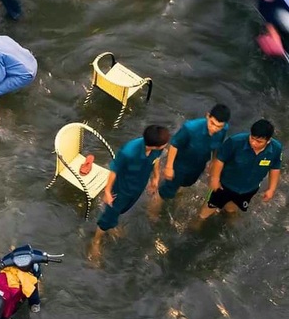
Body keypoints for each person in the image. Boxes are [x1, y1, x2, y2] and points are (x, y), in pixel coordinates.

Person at [88, 125, 170, 260]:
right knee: (108, 216)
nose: (166, 146)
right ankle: (96, 241)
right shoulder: (129, 152)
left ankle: (112, 225)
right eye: (164, 144)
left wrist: (155, 178)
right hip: (121, 189)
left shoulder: (157, 150)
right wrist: (108, 191)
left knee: (121, 210)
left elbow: (156, 160)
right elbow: (114, 171)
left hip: (137, 187)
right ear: (154, 145)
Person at [198, 119, 281, 221]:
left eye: (259, 141)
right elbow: (220, 160)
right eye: (252, 138)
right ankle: (197, 225)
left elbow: (275, 167)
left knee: (231, 209)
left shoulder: (276, 149)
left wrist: (271, 189)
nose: (254, 143)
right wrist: (215, 179)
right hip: (224, 185)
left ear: (268, 140)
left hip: (248, 190)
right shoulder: (235, 142)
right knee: (207, 210)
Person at [159, 104, 230, 201]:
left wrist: (213, 162)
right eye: (212, 123)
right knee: (165, 193)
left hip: (198, 165)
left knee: (185, 186)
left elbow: (217, 146)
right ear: (207, 116)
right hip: (180, 164)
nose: (214, 128)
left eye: (219, 126)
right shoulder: (190, 128)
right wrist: (169, 167)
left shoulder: (224, 129)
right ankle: (152, 214)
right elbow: (174, 145)